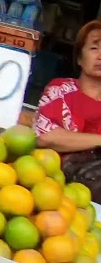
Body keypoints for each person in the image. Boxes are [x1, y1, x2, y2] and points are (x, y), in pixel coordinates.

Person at [35, 20, 101, 196]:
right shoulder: (60, 90)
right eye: (94, 48)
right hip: (49, 189)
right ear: (80, 58)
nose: (100, 56)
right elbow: (45, 137)